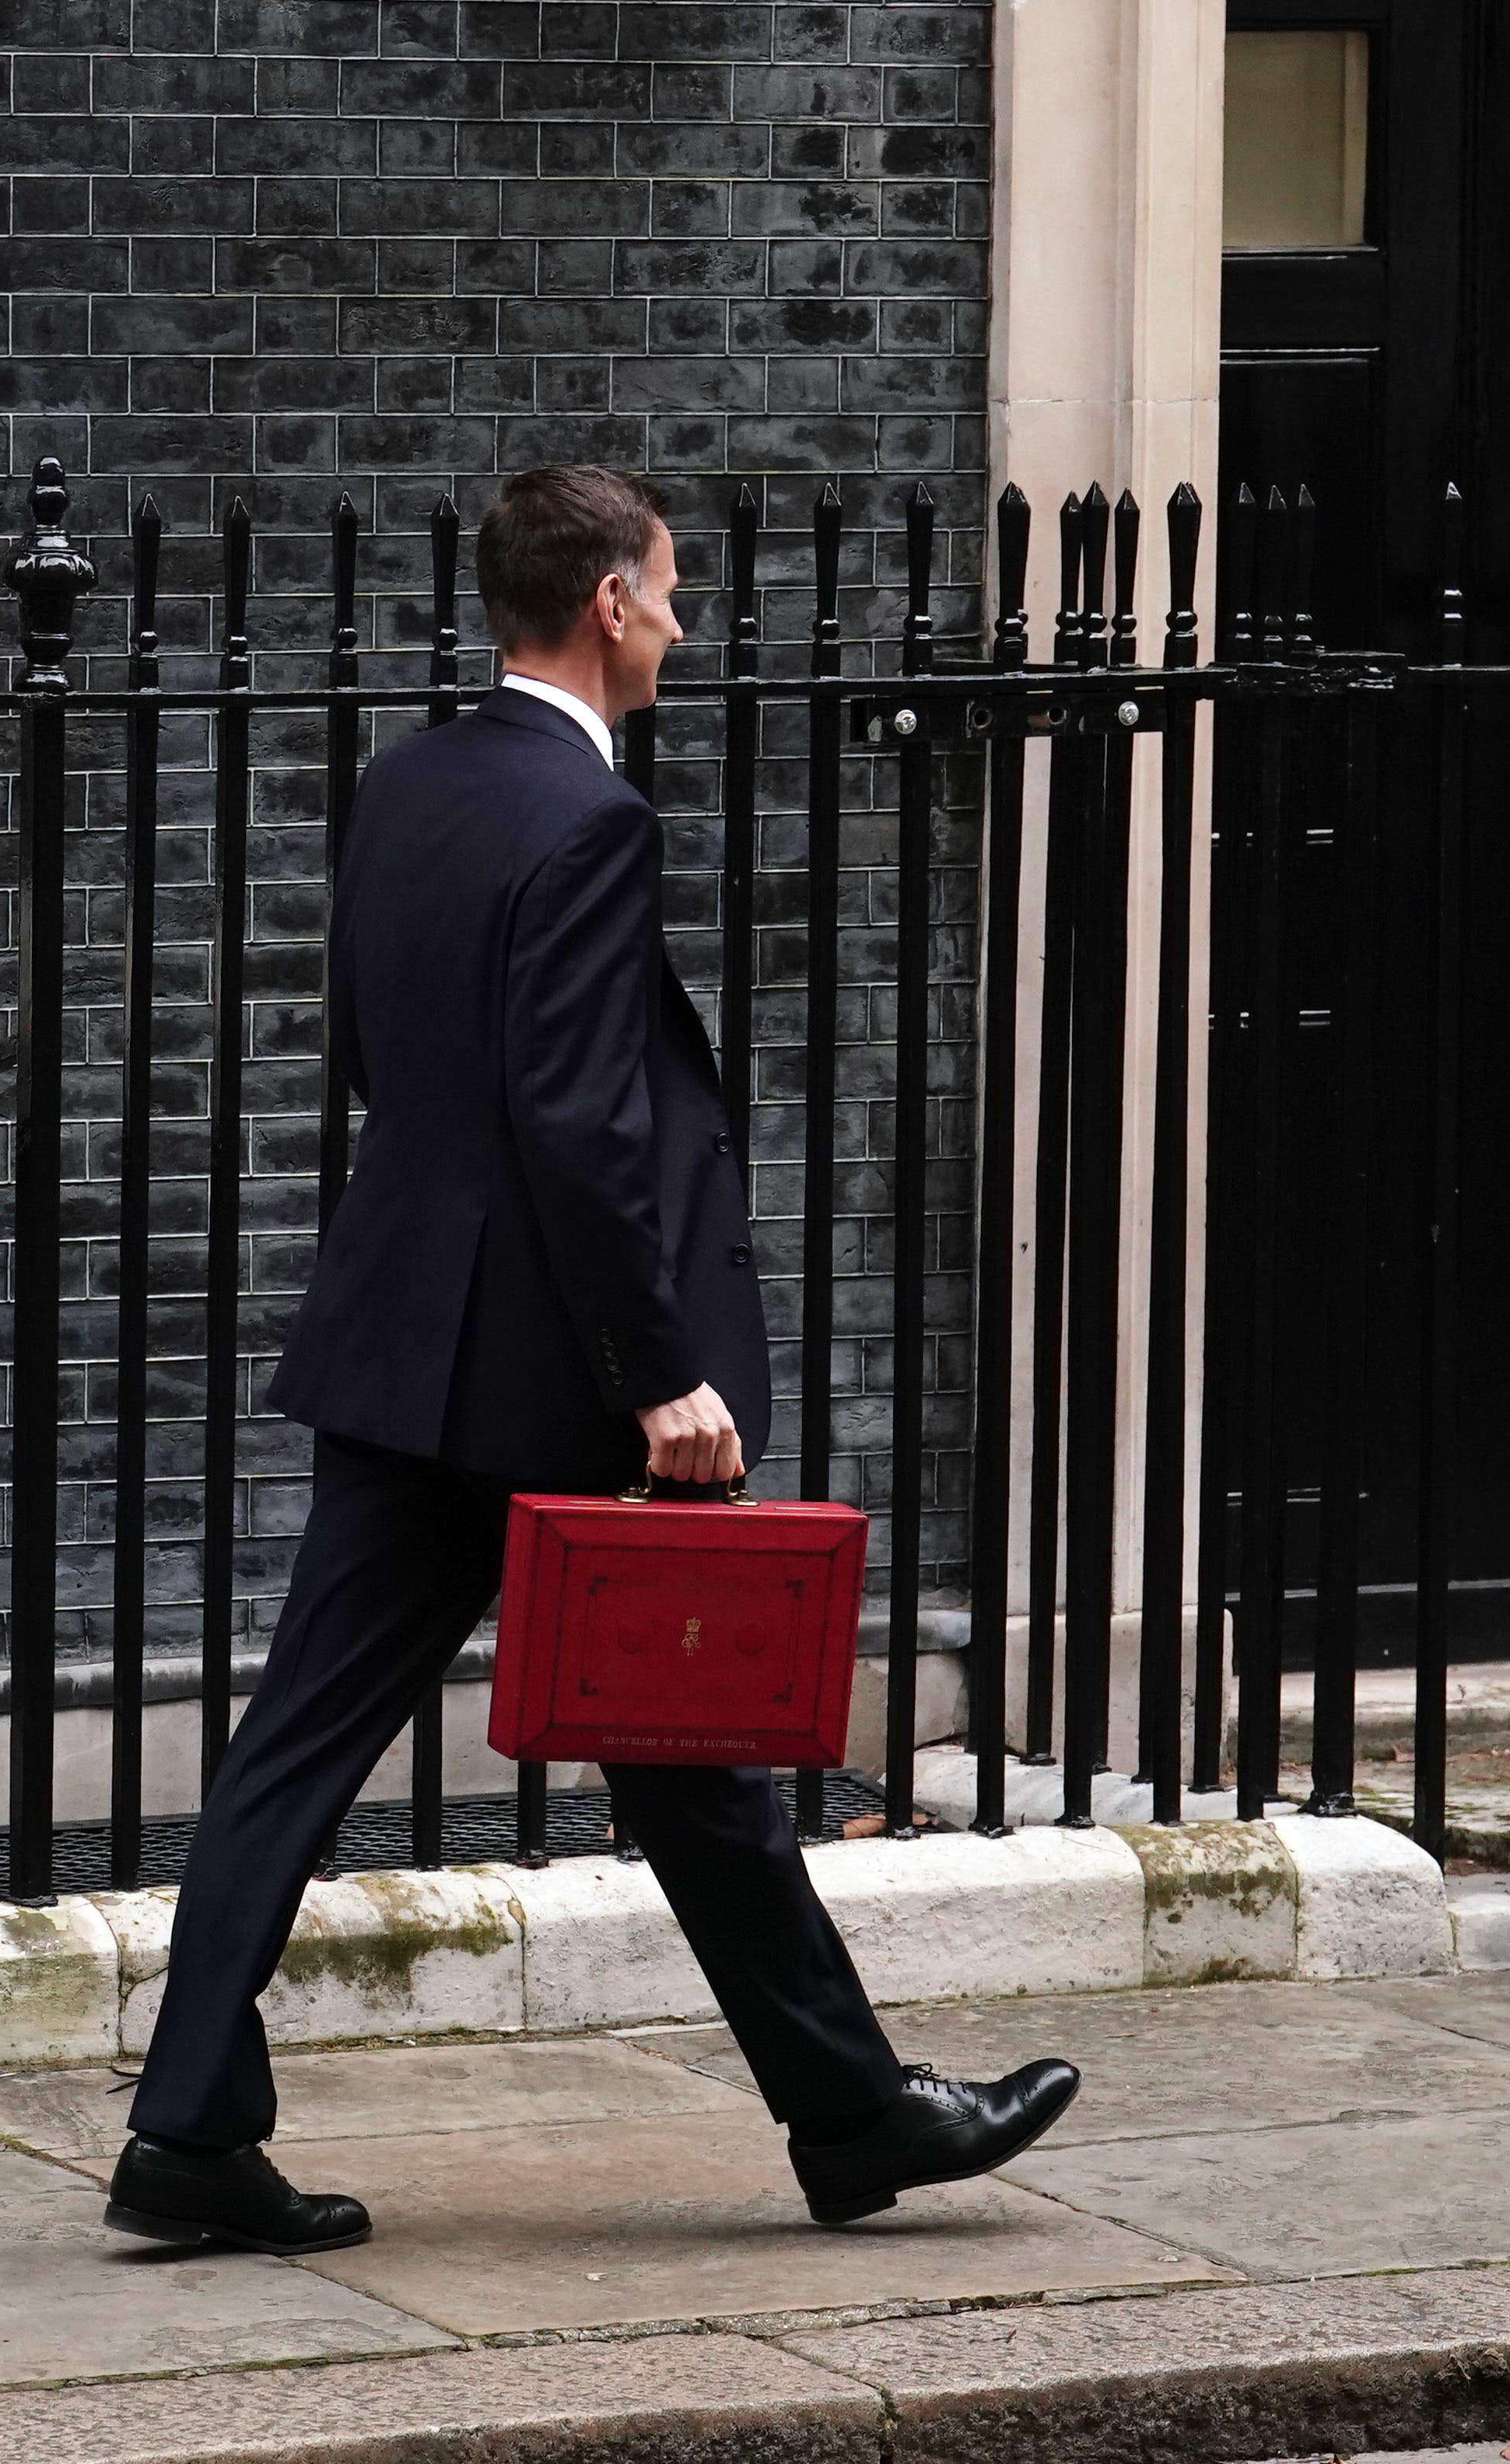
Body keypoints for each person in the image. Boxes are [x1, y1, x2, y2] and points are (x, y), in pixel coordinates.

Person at [106, 465, 1081, 2258]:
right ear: (612, 608)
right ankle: (854, 2115)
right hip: (548, 1362)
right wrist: (655, 1371)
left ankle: (188, 2124)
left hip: (406, 1334)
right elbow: (576, 1117)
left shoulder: (408, 781)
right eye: (672, 592)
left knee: (327, 1741)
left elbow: (385, 1059)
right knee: (683, 1736)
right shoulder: (585, 820)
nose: (685, 625)